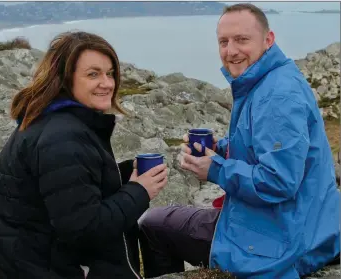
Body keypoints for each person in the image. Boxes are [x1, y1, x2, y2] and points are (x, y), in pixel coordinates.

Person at [139, 3, 340, 279]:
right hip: (300, 222)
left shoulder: (277, 96)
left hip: (283, 239)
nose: (230, 51)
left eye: (242, 40)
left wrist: (216, 169)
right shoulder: (267, 80)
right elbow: (266, 148)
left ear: (268, 39)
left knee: (152, 224)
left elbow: (279, 181)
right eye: (224, 42)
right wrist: (220, 149)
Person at [0, 31, 168, 279]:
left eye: (110, 73)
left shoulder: (53, 122)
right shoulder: (62, 139)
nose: (107, 83)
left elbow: (69, 191)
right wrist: (140, 192)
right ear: (64, 79)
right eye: (93, 74)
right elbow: (85, 231)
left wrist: (122, 174)